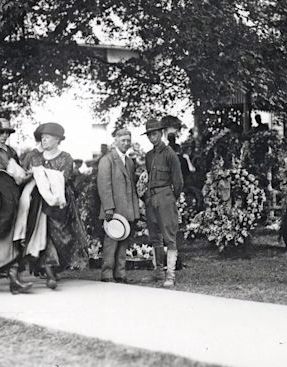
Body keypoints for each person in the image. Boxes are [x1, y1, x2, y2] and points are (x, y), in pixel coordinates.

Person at [22, 123, 88, 289]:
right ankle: (49, 273)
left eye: (47, 137)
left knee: (64, 237)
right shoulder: (34, 156)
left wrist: (42, 175)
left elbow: (63, 178)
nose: (43, 140)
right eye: (42, 137)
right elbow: (25, 174)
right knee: (45, 235)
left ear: (57, 139)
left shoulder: (65, 157)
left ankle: (55, 268)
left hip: (60, 203)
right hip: (39, 204)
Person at [0, 119, 33, 294]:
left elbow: (16, 174)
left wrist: (26, 175)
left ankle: (15, 281)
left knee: (7, 237)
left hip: (4, 203)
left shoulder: (4, 154)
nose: (1, 138)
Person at [143, 116, 183, 288]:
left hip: (165, 195)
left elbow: (178, 181)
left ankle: (170, 275)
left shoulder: (170, 154)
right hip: (151, 198)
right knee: (155, 236)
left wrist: (171, 197)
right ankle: (158, 272)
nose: (152, 137)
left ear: (161, 133)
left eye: (155, 133)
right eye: (149, 134)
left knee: (169, 236)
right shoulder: (149, 155)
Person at [97, 129, 139, 283]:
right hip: (113, 209)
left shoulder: (129, 162)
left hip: (127, 208)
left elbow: (132, 186)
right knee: (111, 241)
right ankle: (107, 273)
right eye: (123, 140)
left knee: (124, 240)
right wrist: (108, 207)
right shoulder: (107, 160)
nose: (126, 143)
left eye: (128, 140)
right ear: (115, 140)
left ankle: (120, 273)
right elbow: (104, 185)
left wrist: (135, 209)